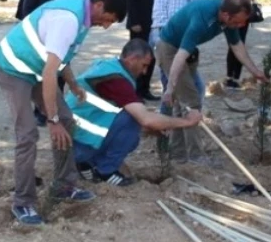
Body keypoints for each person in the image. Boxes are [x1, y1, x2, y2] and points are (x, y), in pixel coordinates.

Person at [0, 0, 129, 226]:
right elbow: (49, 71)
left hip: (35, 70)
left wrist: (73, 85)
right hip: (13, 69)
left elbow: (61, 58)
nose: (106, 26)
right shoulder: (68, 20)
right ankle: (23, 202)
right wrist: (50, 119)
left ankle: (64, 185)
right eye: (108, 20)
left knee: (67, 119)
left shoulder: (84, 18)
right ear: (99, 6)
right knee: (27, 134)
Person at [66, 39, 203, 186]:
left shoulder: (108, 67)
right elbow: (145, 119)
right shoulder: (116, 79)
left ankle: (87, 162)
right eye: (144, 66)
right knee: (132, 121)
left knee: (133, 126)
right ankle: (105, 170)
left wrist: (153, 128)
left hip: (75, 134)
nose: (144, 72)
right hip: (76, 142)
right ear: (132, 59)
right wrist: (187, 121)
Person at [155, 0, 269, 162]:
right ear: (225, 15)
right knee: (192, 104)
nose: (240, 25)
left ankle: (177, 155)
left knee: (182, 105)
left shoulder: (230, 14)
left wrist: (255, 71)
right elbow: (179, 56)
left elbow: (237, 46)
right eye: (237, 22)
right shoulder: (201, 20)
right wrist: (170, 88)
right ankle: (196, 157)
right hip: (171, 49)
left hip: (189, 51)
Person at [149, 0, 217, 88]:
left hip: (169, 35)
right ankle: (167, 111)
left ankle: (171, 110)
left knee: (178, 88)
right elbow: (177, 16)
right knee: (185, 89)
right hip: (169, 36)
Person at [125, 0, 164, 99]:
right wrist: (134, 21)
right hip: (139, 23)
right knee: (137, 57)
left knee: (151, 57)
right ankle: (134, 92)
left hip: (155, 22)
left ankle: (144, 89)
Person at [220, 0, 254, 88]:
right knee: (232, 45)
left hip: (243, 15)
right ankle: (229, 76)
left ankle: (236, 77)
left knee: (241, 45)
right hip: (230, 15)